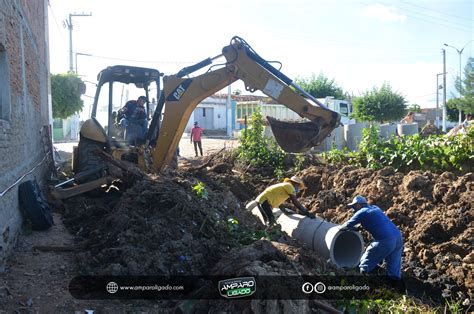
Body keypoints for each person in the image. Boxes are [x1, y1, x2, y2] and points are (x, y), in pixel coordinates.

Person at [341, 195, 403, 282]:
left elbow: (346, 226)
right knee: (393, 269)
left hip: (386, 240)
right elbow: (376, 222)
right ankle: (397, 287)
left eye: (354, 206)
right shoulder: (375, 208)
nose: (353, 209)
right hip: (398, 238)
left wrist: (336, 230)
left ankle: (362, 279)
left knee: (366, 259)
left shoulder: (361, 212)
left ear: (358, 205)